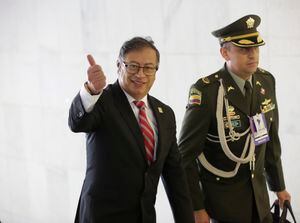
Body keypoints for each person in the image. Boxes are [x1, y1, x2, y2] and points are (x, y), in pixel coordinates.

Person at [178, 15, 291, 223]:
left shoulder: (265, 81)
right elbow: (184, 157)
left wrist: (278, 186)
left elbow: (270, 140)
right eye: (244, 49)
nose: (252, 55)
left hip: (260, 202)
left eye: (256, 48)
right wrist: (196, 208)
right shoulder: (207, 91)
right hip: (222, 206)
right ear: (224, 52)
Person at [68, 36, 194, 223]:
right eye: (133, 66)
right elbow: (77, 123)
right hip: (100, 217)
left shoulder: (165, 114)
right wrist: (92, 90)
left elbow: (175, 175)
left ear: (156, 71)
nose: (141, 74)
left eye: (148, 67)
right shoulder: (102, 100)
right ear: (119, 65)